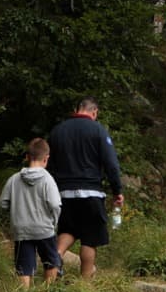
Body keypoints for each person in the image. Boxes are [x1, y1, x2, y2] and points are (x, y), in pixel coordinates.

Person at [47, 97, 123, 280]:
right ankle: (85, 285)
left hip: (63, 193)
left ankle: (56, 257)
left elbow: (49, 164)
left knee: (67, 230)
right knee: (90, 238)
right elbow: (111, 164)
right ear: (94, 112)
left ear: (77, 108)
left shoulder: (58, 131)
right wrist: (117, 190)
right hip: (91, 192)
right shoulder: (98, 130)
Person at [0, 138, 62, 288]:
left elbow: (2, 203)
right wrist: (54, 221)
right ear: (46, 158)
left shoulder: (14, 180)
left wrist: (16, 211)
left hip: (21, 229)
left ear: (27, 157)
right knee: (51, 262)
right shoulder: (48, 180)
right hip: (44, 229)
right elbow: (55, 204)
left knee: (24, 267)